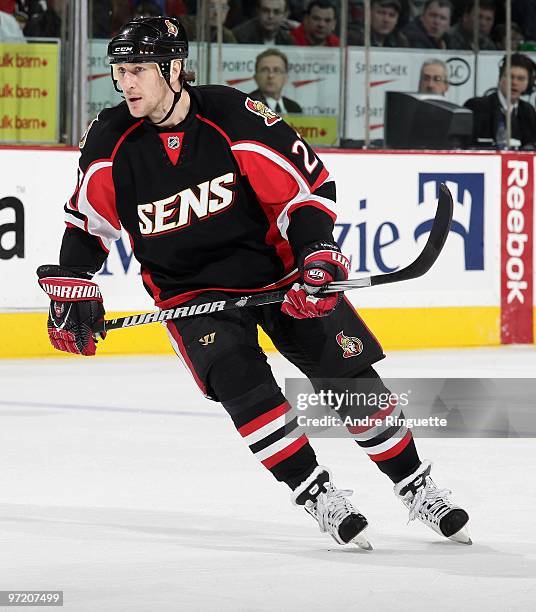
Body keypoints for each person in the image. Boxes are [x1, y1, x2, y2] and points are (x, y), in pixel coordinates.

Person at [37, 16, 470, 549]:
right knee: (243, 388)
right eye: (120, 70)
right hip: (191, 294)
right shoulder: (109, 140)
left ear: (175, 69)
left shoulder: (235, 116)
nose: (127, 83)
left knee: (351, 382)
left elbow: (306, 191)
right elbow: (87, 225)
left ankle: (415, 486)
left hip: (278, 273)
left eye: (140, 70)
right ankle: (316, 493)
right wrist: (73, 285)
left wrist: (316, 254)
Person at [464, 53, 536, 148]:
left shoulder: (528, 111)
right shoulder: (477, 106)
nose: (514, 82)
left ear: (529, 83)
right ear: (500, 78)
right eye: (510, 77)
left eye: (521, 79)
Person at [249, 48, 302, 114]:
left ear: (286, 78)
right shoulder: (247, 106)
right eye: (265, 70)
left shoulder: (295, 108)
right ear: (255, 77)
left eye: (276, 70)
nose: (270, 76)